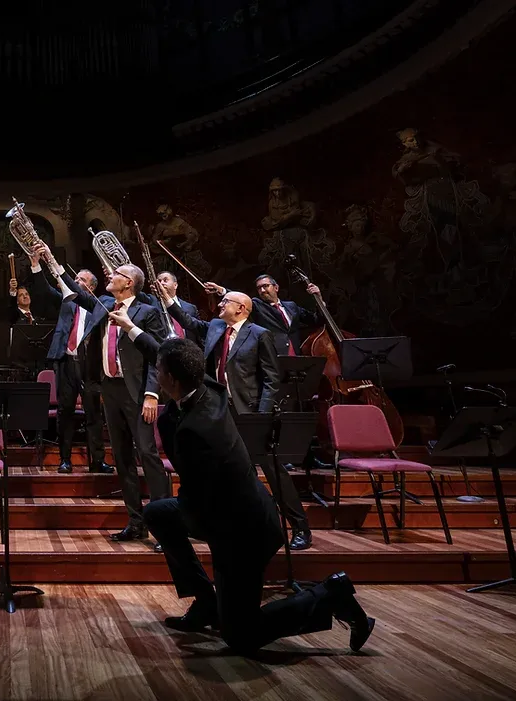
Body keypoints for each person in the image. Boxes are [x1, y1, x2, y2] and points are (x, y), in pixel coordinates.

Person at [107, 321, 374, 654]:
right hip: (227, 508)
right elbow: (163, 354)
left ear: (170, 379)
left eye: (157, 371)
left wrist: (199, 535)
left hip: (243, 531)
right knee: (158, 513)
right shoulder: (206, 386)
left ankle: (332, 594)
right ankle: (207, 603)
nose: (154, 374)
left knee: (241, 635)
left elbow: (197, 497)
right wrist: (131, 328)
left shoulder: (196, 430)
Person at [160, 288, 312, 551]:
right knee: (226, 470)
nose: (220, 304)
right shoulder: (216, 327)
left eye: (225, 301)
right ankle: (228, 525)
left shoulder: (259, 334)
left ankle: (300, 527)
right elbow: (189, 322)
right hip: (220, 411)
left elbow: (271, 378)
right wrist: (169, 300)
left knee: (273, 471)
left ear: (241, 308)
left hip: (250, 412)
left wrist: (261, 416)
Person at [55, 245, 170, 541]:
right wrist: (50, 261)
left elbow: (157, 356)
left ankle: (165, 528)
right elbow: (76, 291)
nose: (110, 274)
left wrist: (152, 394)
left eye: (116, 273)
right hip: (111, 389)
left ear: (129, 283)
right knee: (122, 458)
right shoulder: (104, 304)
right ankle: (136, 523)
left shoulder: (147, 312)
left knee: (148, 455)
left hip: (138, 392)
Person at [25, 247, 111, 475]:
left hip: (90, 365)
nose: (76, 281)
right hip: (66, 361)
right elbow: (44, 291)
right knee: (65, 412)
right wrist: (36, 265)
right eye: (76, 278)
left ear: (91, 287)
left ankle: (97, 461)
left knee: (93, 413)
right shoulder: (67, 300)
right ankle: (65, 460)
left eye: (81, 280)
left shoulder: (100, 304)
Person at [204, 275, 320, 357]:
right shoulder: (257, 304)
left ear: (276, 287)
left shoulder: (291, 306)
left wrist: (319, 298)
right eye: (259, 288)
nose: (262, 290)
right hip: (274, 358)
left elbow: (315, 320)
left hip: (297, 356)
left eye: (265, 286)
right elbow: (240, 299)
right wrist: (222, 290)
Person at [140, 271, 199, 339]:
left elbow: (198, 331)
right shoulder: (151, 301)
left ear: (175, 285)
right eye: (159, 281)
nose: (161, 283)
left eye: (165, 280)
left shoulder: (191, 307)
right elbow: (137, 293)